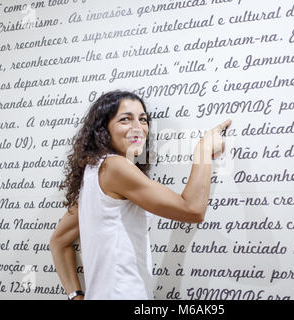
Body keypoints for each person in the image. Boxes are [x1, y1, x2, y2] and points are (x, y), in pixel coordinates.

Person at [49, 90, 232, 300]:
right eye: (125, 119)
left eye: (143, 119)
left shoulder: (94, 171)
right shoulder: (114, 167)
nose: (138, 128)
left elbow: (59, 241)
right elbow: (192, 209)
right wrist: (204, 148)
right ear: (103, 129)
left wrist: (76, 296)